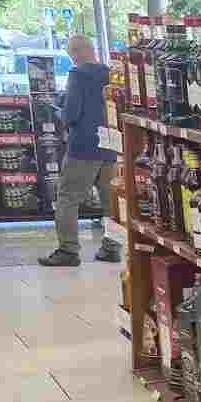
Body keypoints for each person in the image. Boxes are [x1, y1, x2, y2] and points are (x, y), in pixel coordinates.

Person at [39, 34, 118, 267]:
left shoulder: (77, 74)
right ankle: (112, 248)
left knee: (67, 197)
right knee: (110, 200)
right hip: (110, 146)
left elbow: (72, 112)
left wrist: (59, 113)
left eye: (71, 54)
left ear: (75, 52)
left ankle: (68, 250)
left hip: (83, 146)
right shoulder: (110, 74)